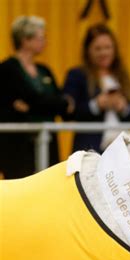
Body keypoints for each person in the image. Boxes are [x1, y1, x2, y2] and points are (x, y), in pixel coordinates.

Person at [0, 15, 74, 178]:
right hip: (18, 147)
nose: (45, 42)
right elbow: (51, 102)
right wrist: (57, 104)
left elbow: (61, 105)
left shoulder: (44, 70)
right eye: (41, 37)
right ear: (25, 40)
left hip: (48, 142)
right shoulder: (7, 69)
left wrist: (32, 106)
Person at [63, 23, 130, 153]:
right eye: (98, 49)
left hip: (123, 149)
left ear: (114, 49)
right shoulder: (77, 75)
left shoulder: (121, 76)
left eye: (107, 47)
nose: (103, 52)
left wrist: (123, 107)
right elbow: (67, 113)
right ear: (88, 50)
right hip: (90, 150)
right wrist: (96, 105)